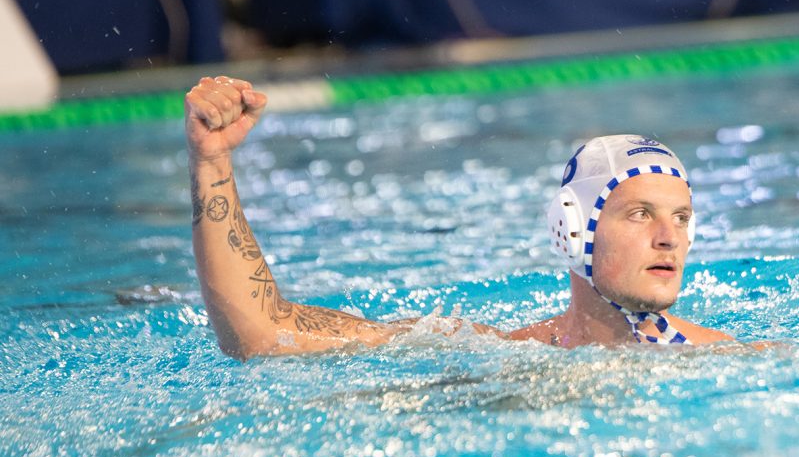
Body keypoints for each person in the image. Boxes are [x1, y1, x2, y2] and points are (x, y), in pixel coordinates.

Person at [186, 76, 750, 359]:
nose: (667, 238)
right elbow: (262, 336)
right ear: (574, 228)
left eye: (681, 218)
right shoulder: (495, 351)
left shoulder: (730, 364)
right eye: (641, 213)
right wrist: (212, 162)